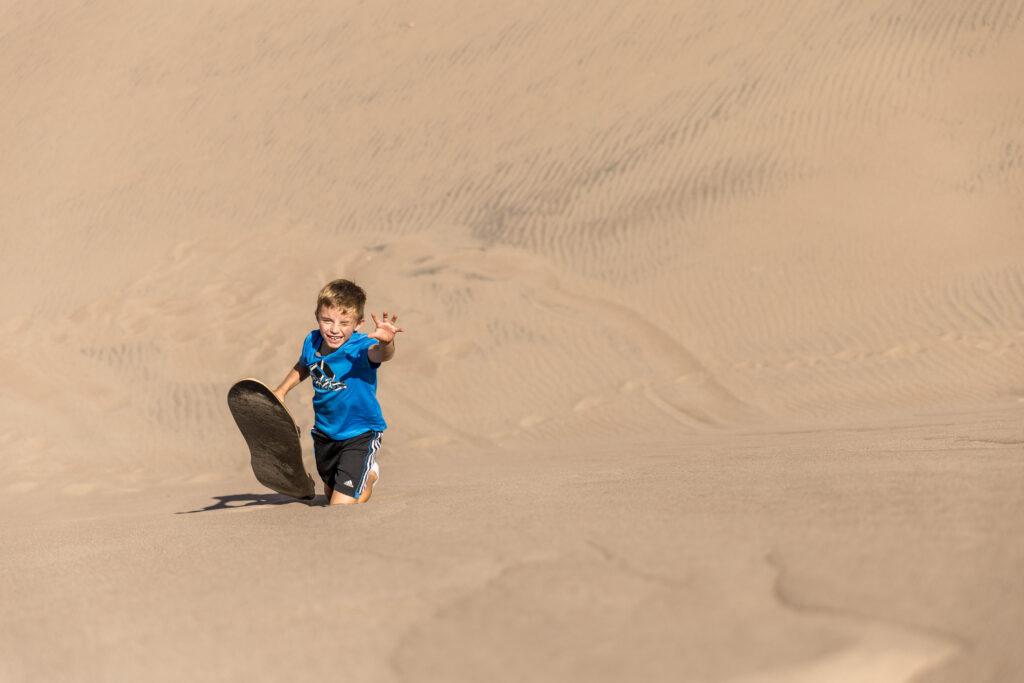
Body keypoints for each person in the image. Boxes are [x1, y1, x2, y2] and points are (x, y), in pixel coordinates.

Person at [273, 279, 403, 506]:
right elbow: (305, 365)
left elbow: (381, 355)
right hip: (325, 434)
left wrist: (387, 343)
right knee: (330, 490)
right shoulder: (312, 341)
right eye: (327, 320)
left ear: (359, 324)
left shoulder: (361, 347)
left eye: (344, 323)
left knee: (340, 505)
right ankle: (361, 476)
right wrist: (281, 390)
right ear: (317, 317)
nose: (334, 329)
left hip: (359, 434)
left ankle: (370, 473)